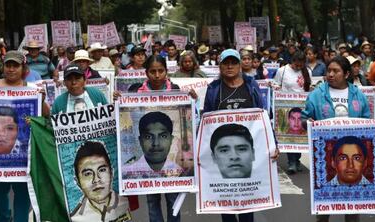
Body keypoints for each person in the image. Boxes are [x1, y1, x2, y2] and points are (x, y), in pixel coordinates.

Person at [117, 55, 197, 222]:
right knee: (152, 202)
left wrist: (192, 99)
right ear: (146, 73)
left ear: (166, 72)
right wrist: (117, 99)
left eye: (161, 71)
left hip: (171, 166)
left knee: (172, 201)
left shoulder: (176, 89)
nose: (157, 75)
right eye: (152, 71)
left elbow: (188, 120)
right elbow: (124, 115)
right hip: (147, 166)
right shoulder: (135, 91)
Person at [203, 49, 279, 222]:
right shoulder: (214, 88)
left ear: (239, 65)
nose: (230, 66)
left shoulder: (251, 85)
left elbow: (263, 116)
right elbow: (206, 121)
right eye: (226, 63)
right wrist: (203, 151)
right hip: (223, 152)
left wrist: (274, 143)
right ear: (220, 66)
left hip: (246, 150)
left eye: (234, 63)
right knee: (226, 203)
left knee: (247, 201)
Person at [302, 56, 370, 222]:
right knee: (325, 203)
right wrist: (307, 122)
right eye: (329, 71)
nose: (330, 74)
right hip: (325, 156)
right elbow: (304, 117)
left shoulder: (358, 95)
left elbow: (367, 120)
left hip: (352, 154)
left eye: (336, 71)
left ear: (346, 74)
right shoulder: (317, 94)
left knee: (353, 202)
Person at [0, 50, 49, 222]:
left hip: (24, 156)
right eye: (8, 65)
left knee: (22, 196)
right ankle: (5, 218)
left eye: (15, 65)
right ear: (3, 66)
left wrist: (41, 101)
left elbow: (46, 116)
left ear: (24, 68)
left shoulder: (33, 89)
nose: (11, 69)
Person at [273, 51, 311, 174]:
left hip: (301, 108)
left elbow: (308, 88)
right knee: (289, 135)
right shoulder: (282, 71)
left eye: (301, 66)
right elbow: (276, 84)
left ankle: (297, 159)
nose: (298, 68)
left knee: (300, 135)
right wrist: (275, 88)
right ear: (292, 61)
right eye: (296, 65)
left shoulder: (307, 72)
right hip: (286, 108)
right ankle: (291, 162)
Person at [71, 141, 129, 221]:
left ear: (111, 173)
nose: (96, 179)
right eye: (88, 174)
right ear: (77, 182)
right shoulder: (75, 216)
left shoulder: (126, 203)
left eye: (102, 170)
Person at [122, 112, 182, 178]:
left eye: (163, 136)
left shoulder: (180, 174)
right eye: (148, 137)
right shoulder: (126, 174)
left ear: (171, 139)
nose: (156, 143)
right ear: (140, 141)